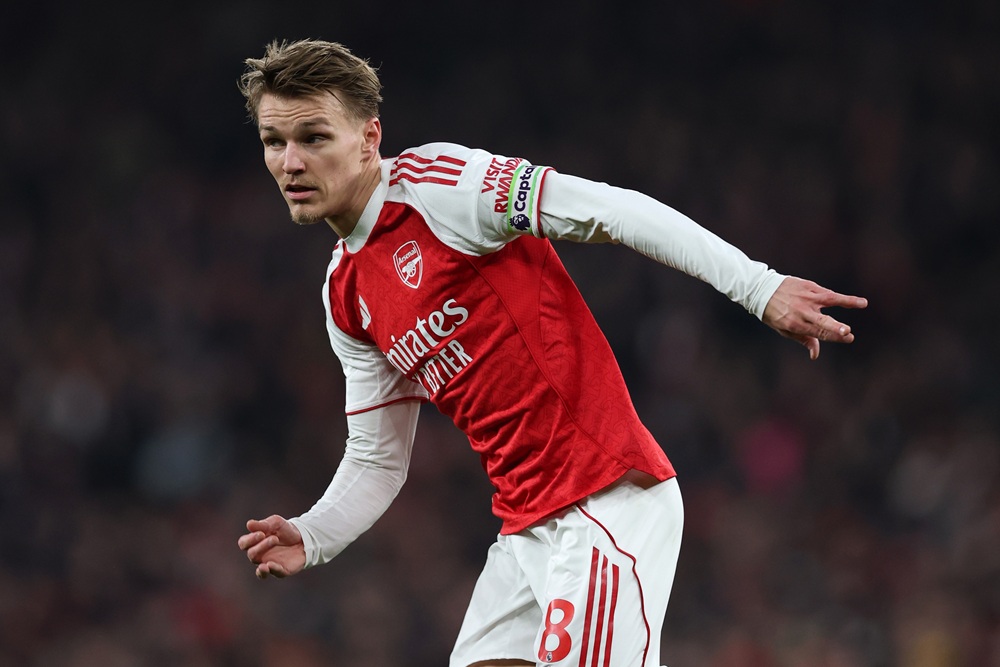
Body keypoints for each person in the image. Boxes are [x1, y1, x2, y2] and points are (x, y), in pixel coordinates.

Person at [235, 38, 867, 666]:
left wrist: (758, 287)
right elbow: (378, 459)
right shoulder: (344, 293)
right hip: (525, 529)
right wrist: (313, 535)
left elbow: (612, 211)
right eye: (273, 141)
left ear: (370, 137)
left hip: (606, 500)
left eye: (314, 137)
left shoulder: (442, 189)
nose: (291, 161)